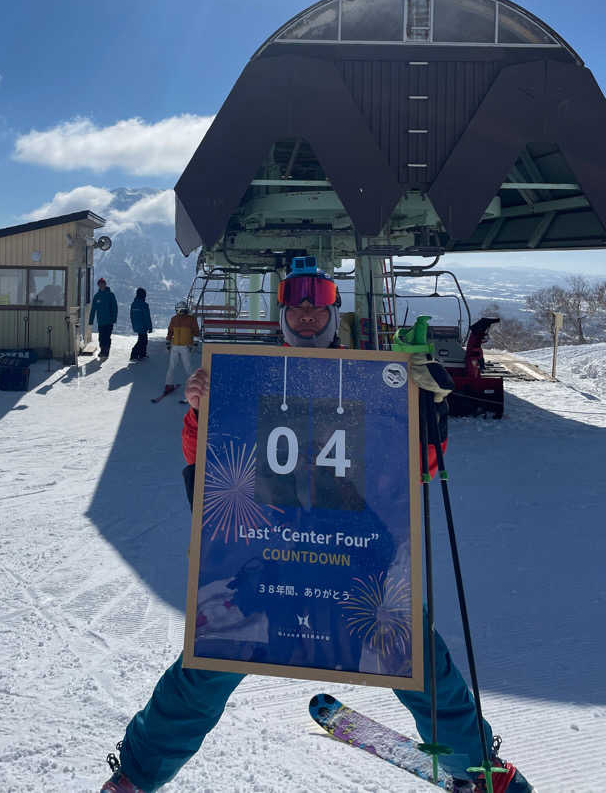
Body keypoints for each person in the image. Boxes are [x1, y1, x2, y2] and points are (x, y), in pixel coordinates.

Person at [100, 260, 533, 793]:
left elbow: (417, 467)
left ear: (333, 312)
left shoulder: (374, 379)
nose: (307, 316)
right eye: (296, 307)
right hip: (273, 552)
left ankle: (478, 767)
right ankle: (137, 775)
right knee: (209, 657)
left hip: (355, 554)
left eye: (318, 306)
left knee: (421, 663)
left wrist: (426, 410)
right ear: (282, 315)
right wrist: (199, 411)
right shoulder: (246, 378)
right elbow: (210, 464)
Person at [162, 302, 199, 395]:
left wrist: (168, 341)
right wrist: (195, 343)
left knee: (175, 367)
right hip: (180, 346)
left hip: (181, 346)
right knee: (186, 367)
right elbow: (170, 331)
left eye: (178, 310)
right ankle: (192, 388)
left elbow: (195, 332)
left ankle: (169, 385)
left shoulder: (180, 319)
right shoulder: (188, 319)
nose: (178, 311)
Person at [89, 277, 118, 359]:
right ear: (98, 285)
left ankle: (106, 351)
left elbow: (115, 307)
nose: (101, 285)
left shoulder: (110, 295)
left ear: (105, 284)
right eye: (100, 284)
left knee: (107, 337)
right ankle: (102, 350)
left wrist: (114, 318)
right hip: (101, 321)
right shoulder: (97, 296)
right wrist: (91, 320)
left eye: (103, 284)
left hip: (109, 321)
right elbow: (93, 309)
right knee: (101, 337)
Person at [130, 288, 153, 361]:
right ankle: (135, 355)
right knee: (143, 340)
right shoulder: (144, 305)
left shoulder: (133, 304)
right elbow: (147, 317)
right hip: (143, 325)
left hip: (136, 325)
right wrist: (150, 327)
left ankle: (141, 354)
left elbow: (131, 315)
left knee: (142, 339)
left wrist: (134, 324)